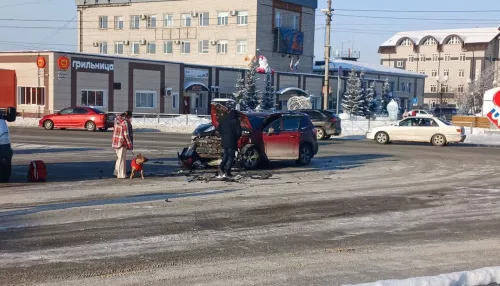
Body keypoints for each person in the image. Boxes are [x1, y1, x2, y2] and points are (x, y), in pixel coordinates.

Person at [216, 108, 242, 179]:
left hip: (224, 141)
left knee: (225, 154)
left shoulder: (223, 119)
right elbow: (239, 132)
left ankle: (221, 167)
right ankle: (228, 171)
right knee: (231, 156)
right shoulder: (236, 121)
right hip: (232, 141)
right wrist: (236, 138)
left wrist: (223, 136)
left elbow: (218, 130)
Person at [112, 111, 133, 179]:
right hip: (122, 142)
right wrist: (130, 144)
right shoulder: (125, 122)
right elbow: (126, 134)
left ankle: (116, 172)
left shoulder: (117, 120)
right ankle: (121, 175)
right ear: (128, 116)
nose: (131, 119)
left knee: (119, 158)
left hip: (116, 141)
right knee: (122, 159)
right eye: (130, 117)